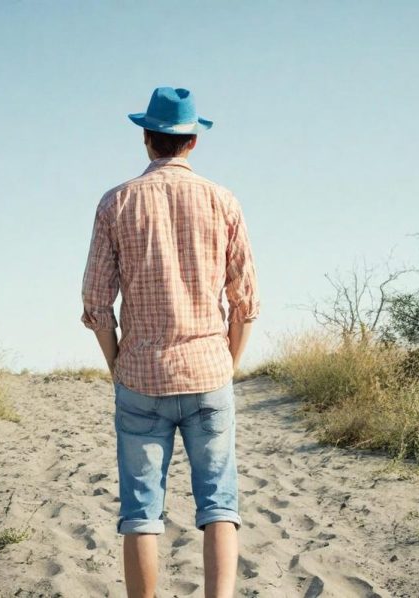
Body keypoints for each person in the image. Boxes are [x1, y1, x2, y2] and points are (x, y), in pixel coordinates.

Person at [80, 86, 259, 598]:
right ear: (193, 142)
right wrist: (229, 362)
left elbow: (96, 304)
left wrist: (117, 364)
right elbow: (244, 301)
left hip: (140, 375)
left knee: (140, 511)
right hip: (209, 371)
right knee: (219, 504)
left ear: (146, 138)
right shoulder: (223, 200)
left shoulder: (116, 202)